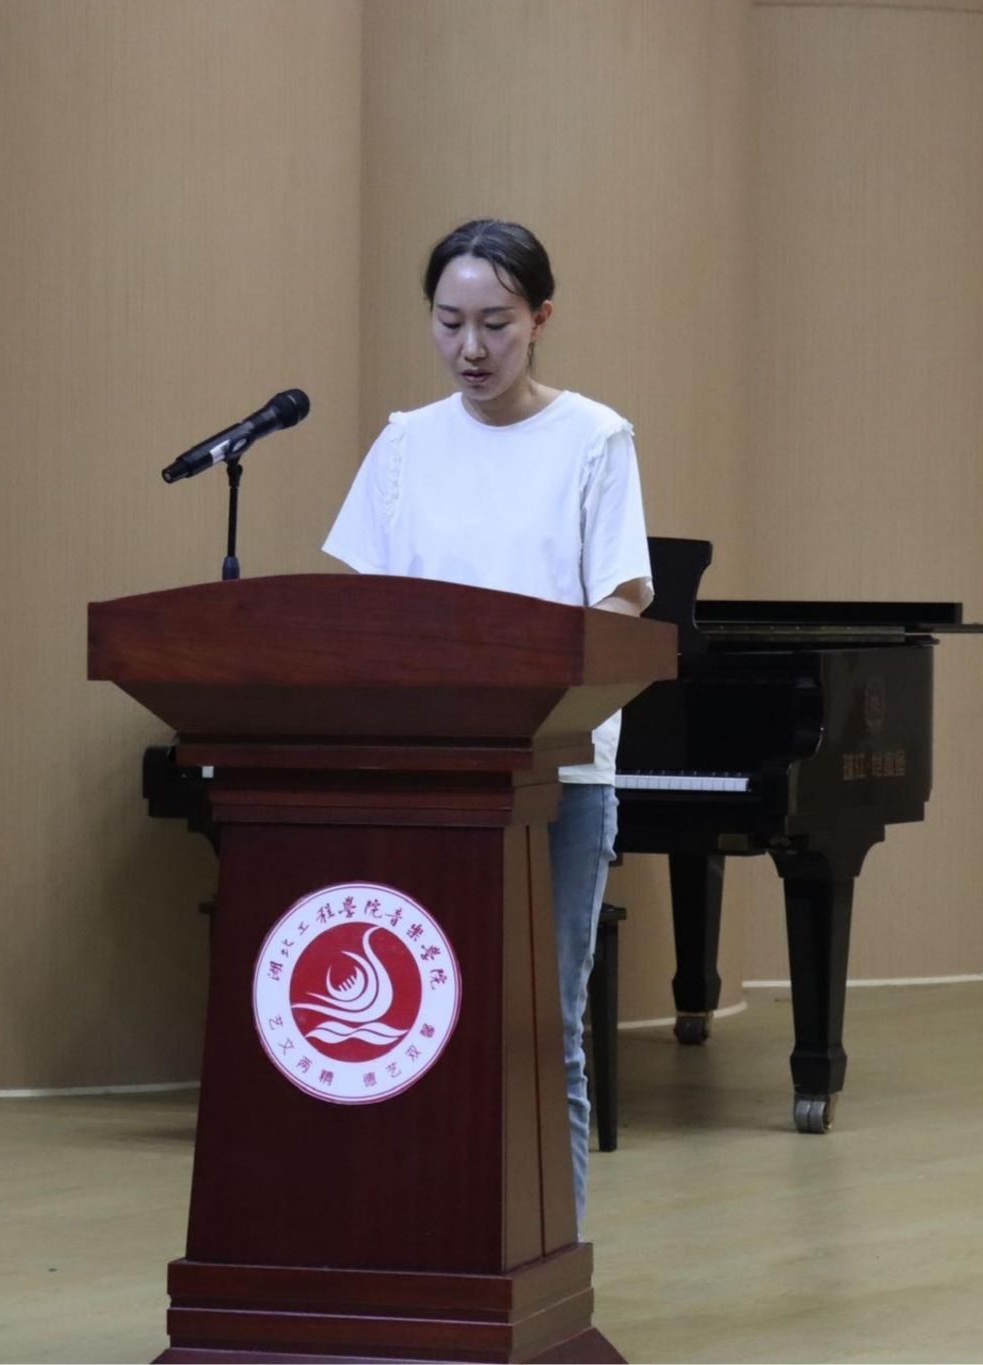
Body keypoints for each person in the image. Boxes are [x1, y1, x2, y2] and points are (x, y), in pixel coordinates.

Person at [322, 219, 652, 1230]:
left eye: (495, 324)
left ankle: (555, 1262)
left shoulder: (594, 437)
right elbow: (359, 607)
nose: (470, 347)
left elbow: (621, 603)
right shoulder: (404, 444)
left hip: (557, 777)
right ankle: (426, 1248)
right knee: (416, 1021)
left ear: (540, 319)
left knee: (543, 1031)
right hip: (425, 777)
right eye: (449, 322)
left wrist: (534, 686)